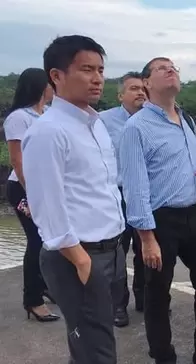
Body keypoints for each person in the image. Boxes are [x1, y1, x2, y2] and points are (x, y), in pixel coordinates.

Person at [119, 56, 196, 364]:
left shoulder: (185, 119)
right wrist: (146, 238)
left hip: (195, 213)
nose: (171, 70)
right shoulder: (136, 127)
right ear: (147, 83)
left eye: (173, 67)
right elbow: (134, 187)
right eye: (162, 68)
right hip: (160, 220)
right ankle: (164, 357)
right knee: (158, 294)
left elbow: (192, 163)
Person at [22, 35, 126, 364]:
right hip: (77, 256)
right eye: (86, 69)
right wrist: (82, 261)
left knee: (89, 345)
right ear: (57, 75)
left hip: (110, 248)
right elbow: (46, 208)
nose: (97, 78)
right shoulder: (48, 131)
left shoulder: (94, 124)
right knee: (97, 351)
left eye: (100, 70)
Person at [4, 68, 58, 322]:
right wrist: (34, 194)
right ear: (39, 87)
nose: (53, 88)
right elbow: (18, 161)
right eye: (49, 84)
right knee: (37, 239)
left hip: (46, 186)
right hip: (23, 187)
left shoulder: (47, 114)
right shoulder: (19, 118)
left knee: (50, 238)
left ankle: (44, 285)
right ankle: (33, 301)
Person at [100, 72, 146, 326]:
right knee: (118, 253)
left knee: (146, 250)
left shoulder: (152, 119)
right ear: (120, 95)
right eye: (133, 88)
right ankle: (119, 306)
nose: (140, 92)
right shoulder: (103, 120)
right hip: (116, 195)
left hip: (145, 194)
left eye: (143, 88)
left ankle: (144, 298)